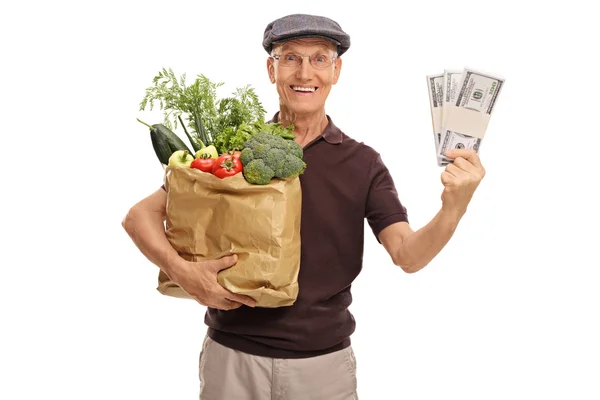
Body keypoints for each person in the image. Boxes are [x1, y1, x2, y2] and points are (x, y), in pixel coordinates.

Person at [122, 13, 486, 400]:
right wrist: (185, 273)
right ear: (271, 68)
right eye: (290, 57)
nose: (305, 72)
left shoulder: (362, 163)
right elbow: (138, 217)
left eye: (319, 59)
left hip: (324, 368)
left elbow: (407, 255)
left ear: (336, 71)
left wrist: (453, 208)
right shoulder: (235, 149)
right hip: (232, 360)